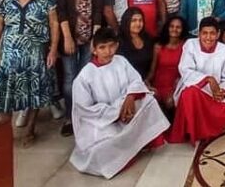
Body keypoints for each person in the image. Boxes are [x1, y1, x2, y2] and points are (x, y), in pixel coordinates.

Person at [70, 28, 169, 179]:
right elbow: (85, 110)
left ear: (116, 46)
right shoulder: (84, 76)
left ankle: (143, 143)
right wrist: (117, 112)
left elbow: (136, 80)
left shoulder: (121, 61)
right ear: (94, 49)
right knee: (100, 149)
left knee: (149, 101)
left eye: (111, 46)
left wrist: (130, 98)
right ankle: (124, 154)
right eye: (102, 47)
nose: (107, 51)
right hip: (101, 120)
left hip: (125, 107)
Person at [0, 0, 59, 147]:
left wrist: (53, 49)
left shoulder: (46, 0)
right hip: (9, 53)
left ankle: (30, 130)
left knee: (35, 92)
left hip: (34, 52)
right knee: (4, 93)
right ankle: (6, 131)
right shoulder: (7, 0)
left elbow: (54, 25)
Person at [55, 0, 102, 137]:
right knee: (69, 78)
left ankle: (84, 116)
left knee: (85, 79)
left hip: (89, 35)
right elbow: (61, 11)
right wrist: (67, 38)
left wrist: (95, 38)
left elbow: (98, 9)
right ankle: (69, 117)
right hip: (69, 35)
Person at [168, 17, 225, 144]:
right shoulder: (190, 44)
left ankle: (208, 130)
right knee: (190, 94)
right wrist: (207, 79)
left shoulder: (224, 50)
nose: (208, 37)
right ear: (199, 34)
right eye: (204, 33)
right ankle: (196, 132)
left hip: (217, 89)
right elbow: (185, 70)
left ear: (218, 34)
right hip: (195, 86)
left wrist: (221, 92)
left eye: (212, 33)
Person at [148, 16, 187, 119]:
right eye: (172, 26)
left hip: (175, 85)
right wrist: (147, 83)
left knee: (171, 103)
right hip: (158, 85)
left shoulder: (185, 47)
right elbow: (152, 70)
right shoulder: (158, 46)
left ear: (182, 29)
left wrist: (175, 91)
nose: (174, 29)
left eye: (178, 27)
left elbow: (185, 72)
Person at [118, 7, 155, 80]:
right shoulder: (119, 41)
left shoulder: (148, 39)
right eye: (134, 20)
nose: (138, 24)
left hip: (146, 81)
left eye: (140, 20)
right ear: (126, 22)